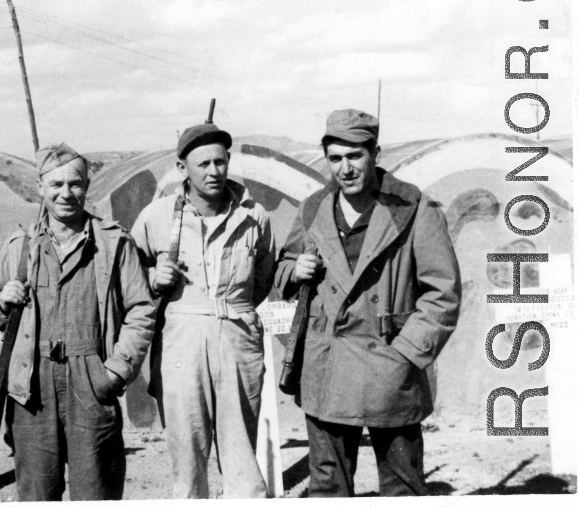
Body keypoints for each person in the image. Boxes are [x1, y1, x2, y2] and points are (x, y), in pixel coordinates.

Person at [276, 109, 462, 497]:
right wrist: (296, 270)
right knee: (328, 486)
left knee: (402, 487)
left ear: (375, 153)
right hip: (327, 368)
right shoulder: (313, 208)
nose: (345, 168)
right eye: (335, 158)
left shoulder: (412, 209)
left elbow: (442, 293)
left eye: (355, 156)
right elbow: (283, 270)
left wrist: (406, 354)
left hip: (389, 370)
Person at [0, 143, 156, 501]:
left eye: (75, 184)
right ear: (40, 187)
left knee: (96, 492)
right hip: (31, 385)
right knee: (37, 493)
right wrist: (2, 300)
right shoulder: (20, 245)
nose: (65, 193)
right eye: (55, 185)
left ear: (87, 186)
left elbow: (141, 309)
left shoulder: (113, 243)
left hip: (91, 378)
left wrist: (116, 372)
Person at [131, 122, 276, 499]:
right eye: (203, 164)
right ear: (182, 169)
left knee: (242, 455)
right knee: (188, 460)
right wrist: (152, 275)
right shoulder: (156, 216)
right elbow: (126, 279)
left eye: (220, 161)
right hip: (181, 342)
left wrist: (230, 311)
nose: (214, 171)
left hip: (238, 337)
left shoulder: (255, 216)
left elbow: (262, 280)